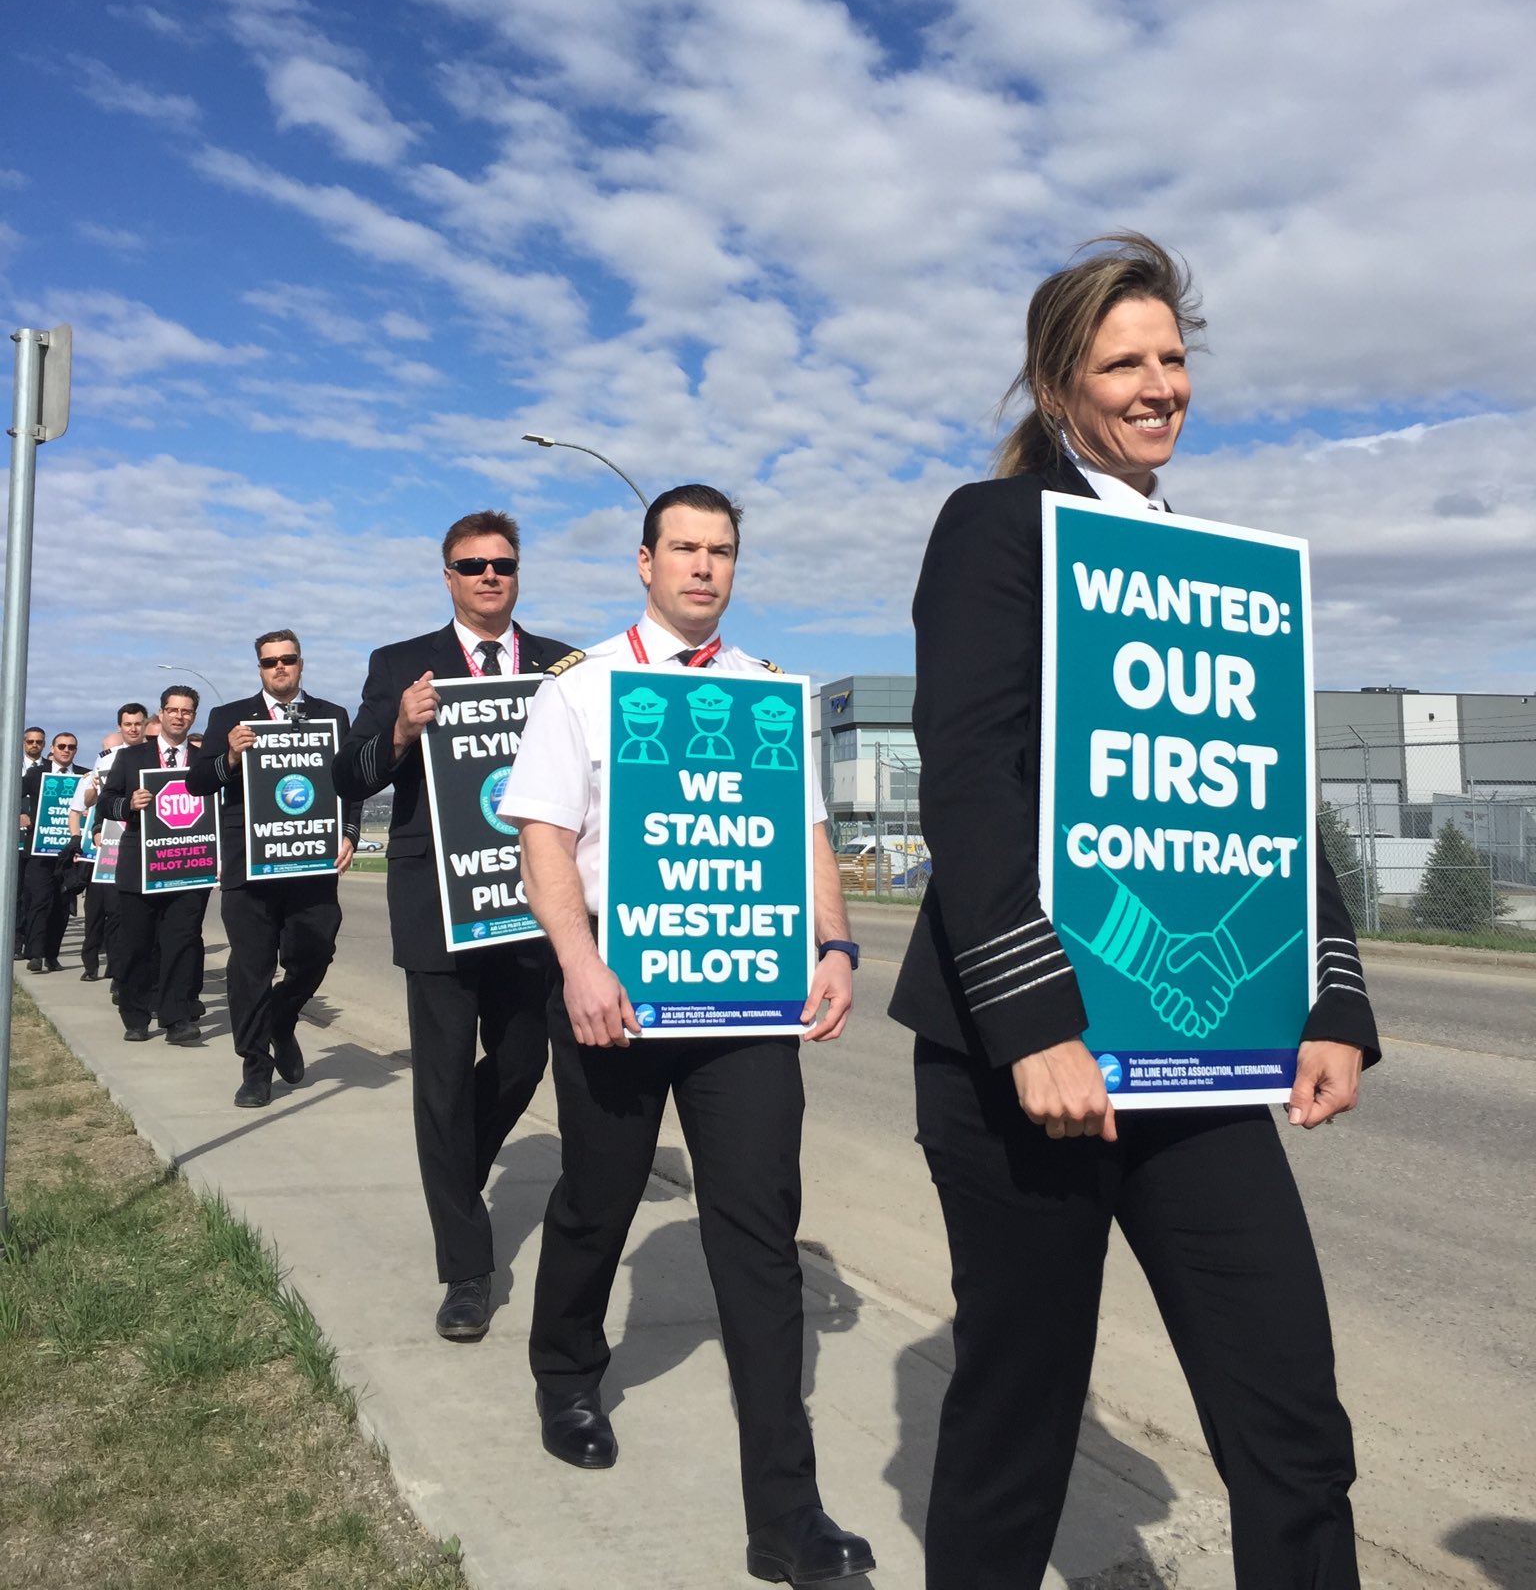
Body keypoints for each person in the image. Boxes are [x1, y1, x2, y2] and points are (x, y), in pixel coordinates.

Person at [889, 234, 1380, 1590]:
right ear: (1060, 390)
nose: (1159, 383)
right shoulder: (997, 530)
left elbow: (1262, 795)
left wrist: (1328, 996)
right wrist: (1036, 1021)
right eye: (1125, 362)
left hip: (1201, 1054)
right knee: (1019, 1426)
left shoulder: (1219, 570)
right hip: (1031, 1062)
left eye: (1172, 357)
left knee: (1293, 1423)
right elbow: (969, 781)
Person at [504, 483, 875, 1590]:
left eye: (721, 551)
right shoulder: (582, 690)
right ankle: (566, 1368)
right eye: (685, 548)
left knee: (760, 1240)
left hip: (745, 1012)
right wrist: (578, 961)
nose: (704, 567)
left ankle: (787, 1511)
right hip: (616, 998)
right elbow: (544, 835)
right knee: (597, 1199)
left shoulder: (767, 696)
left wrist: (837, 945)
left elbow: (806, 831)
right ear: (644, 560)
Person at [333, 511, 577, 1341]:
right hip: (437, 901)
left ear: (518, 572)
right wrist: (401, 727)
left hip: (528, 904)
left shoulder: (561, 666)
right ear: (447, 576)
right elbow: (350, 774)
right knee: (440, 1084)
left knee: (519, 1063)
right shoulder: (401, 664)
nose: (488, 577)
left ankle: (455, 1177)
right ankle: (466, 1270)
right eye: (471, 565)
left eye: (501, 564)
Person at [188, 631, 362, 1108]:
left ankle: (284, 1018)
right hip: (250, 865)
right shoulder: (229, 717)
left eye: (287, 660)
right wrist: (228, 757)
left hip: (310, 864)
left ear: (301, 663)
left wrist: (348, 832)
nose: (279, 668)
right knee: (251, 968)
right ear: (259, 669)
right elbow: (198, 782)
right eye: (270, 662)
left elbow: (349, 782)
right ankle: (255, 1066)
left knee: (316, 950)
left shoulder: (332, 716)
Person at [99, 685, 210, 1046]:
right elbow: (106, 802)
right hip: (140, 866)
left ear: (194, 716)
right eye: (173, 710)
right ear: (160, 714)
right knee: (136, 945)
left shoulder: (202, 759)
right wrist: (129, 804)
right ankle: (135, 1015)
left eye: (187, 711)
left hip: (188, 864)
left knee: (181, 943)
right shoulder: (132, 757)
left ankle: (176, 1018)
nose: (180, 716)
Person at [18, 731, 83, 970]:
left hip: (69, 855)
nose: (66, 750)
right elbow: (11, 793)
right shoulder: (36, 775)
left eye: (71, 747)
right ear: (52, 749)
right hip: (39, 851)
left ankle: (52, 954)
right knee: (39, 901)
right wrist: (20, 813)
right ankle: (35, 954)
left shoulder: (84, 776)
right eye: (62, 746)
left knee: (61, 907)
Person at [69, 727, 128, 979]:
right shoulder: (91, 778)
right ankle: (90, 964)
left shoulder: (131, 777)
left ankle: (115, 967)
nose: (110, 754)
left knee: (116, 914)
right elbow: (84, 805)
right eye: (106, 750)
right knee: (94, 913)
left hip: (120, 854)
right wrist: (95, 785)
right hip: (95, 857)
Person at [14, 725, 46, 957]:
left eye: (39, 742)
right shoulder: (11, 766)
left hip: (36, 841)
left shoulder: (47, 770)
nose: (34, 745)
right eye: (30, 741)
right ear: (23, 743)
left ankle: (32, 945)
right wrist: (16, 813)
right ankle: (15, 942)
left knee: (32, 894)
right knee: (14, 894)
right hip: (13, 841)